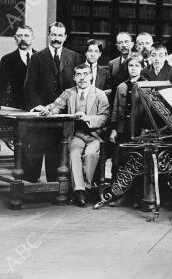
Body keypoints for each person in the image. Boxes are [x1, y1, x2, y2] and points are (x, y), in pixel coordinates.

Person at [32, 64, 109, 207]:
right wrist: (46, 109)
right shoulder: (69, 92)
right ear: (74, 78)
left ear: (91, 76)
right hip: (76, 135)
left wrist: (87, 118)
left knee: (91, 154)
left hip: (95, 136)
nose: (82, 78)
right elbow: (56, 106)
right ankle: (79, 191)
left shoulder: (100, 94)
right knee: (74, 153)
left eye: (85, 74)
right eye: (78, 75)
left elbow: (104, 117)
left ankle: (85, 187)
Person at [24, 22, 83, 182]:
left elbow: (77, 86)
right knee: (37, 147)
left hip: (64, 115)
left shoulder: (74, 57)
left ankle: (55, 184)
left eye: (60, 35)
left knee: (58, 150)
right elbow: (30, 86)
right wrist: (38, 106)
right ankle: (31, 184)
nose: (56, 39)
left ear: (65, 37)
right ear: (48, 35)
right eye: (54, 35)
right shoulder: (37, 58)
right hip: (42, 115)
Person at [109, 54, 144, 164]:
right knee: (120, 159)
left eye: (137, 65)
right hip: (122, 129)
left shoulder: (146, 85)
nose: (133, 68)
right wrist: (114, 129)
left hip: (139, 130)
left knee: (137, 159)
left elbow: (149, 113)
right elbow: (115, 109)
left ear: (142, 67)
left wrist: (145, 129)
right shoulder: (121, 86)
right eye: (130, 65)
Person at [0, 24, 35, 110]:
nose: (23, 39)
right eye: (19, 36)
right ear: (15, 38)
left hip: (37, 108)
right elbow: (2, 85)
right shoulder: (7, 60)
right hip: (15, 108)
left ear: (33, 38)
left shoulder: (41, 58)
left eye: (26, 35)